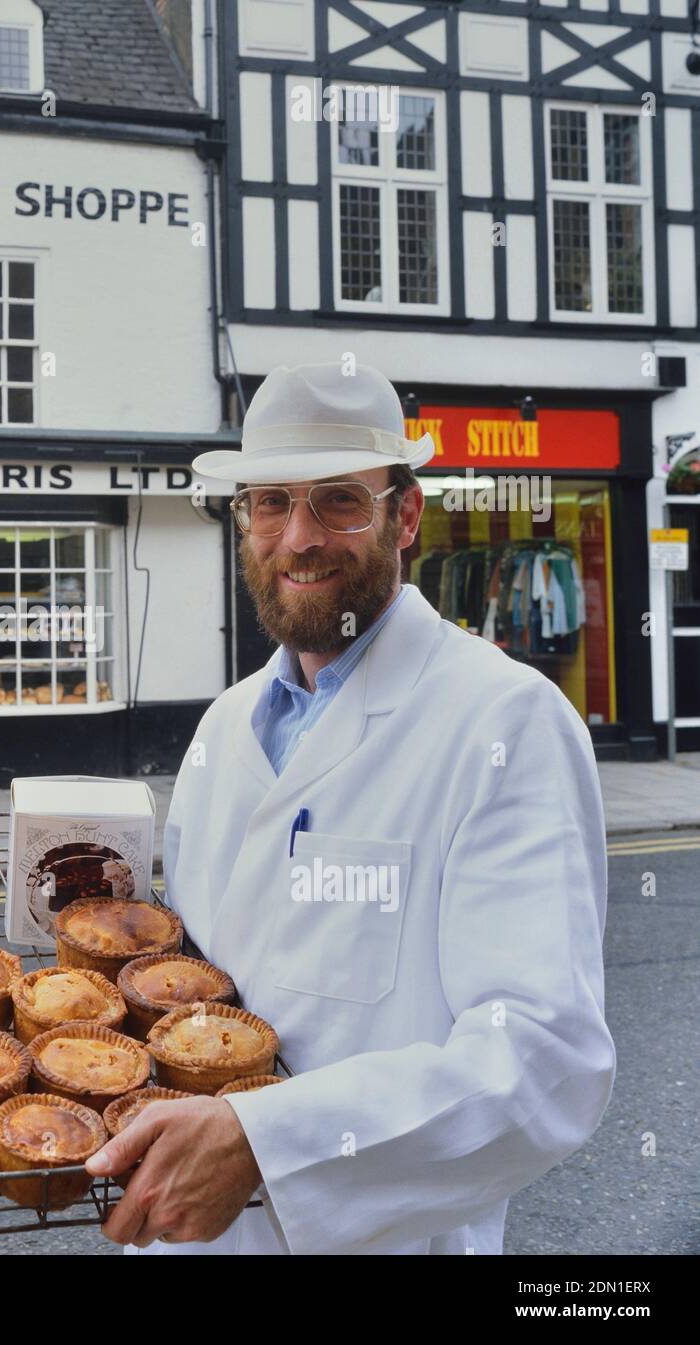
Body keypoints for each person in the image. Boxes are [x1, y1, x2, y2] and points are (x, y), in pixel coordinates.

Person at [85, 362, 615, 1254]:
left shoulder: (505, 720)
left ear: (404, 516)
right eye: (269, 503)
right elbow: (199, 984)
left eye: (338, 501)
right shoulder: (223, 728)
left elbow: (542, 1061)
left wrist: (267, 1144)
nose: (298, 537)